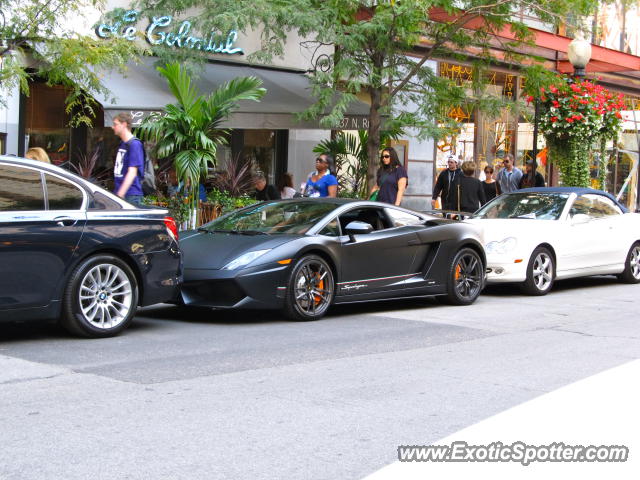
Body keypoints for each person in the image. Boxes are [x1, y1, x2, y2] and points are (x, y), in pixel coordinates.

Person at [111, 112, 144, 206]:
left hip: (130, 195)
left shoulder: (135, 144)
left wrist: (120, 194)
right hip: (122, 194)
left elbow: (132, 172)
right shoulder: (123, 144)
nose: (113, 127)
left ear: (124, 124)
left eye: (115, 124)